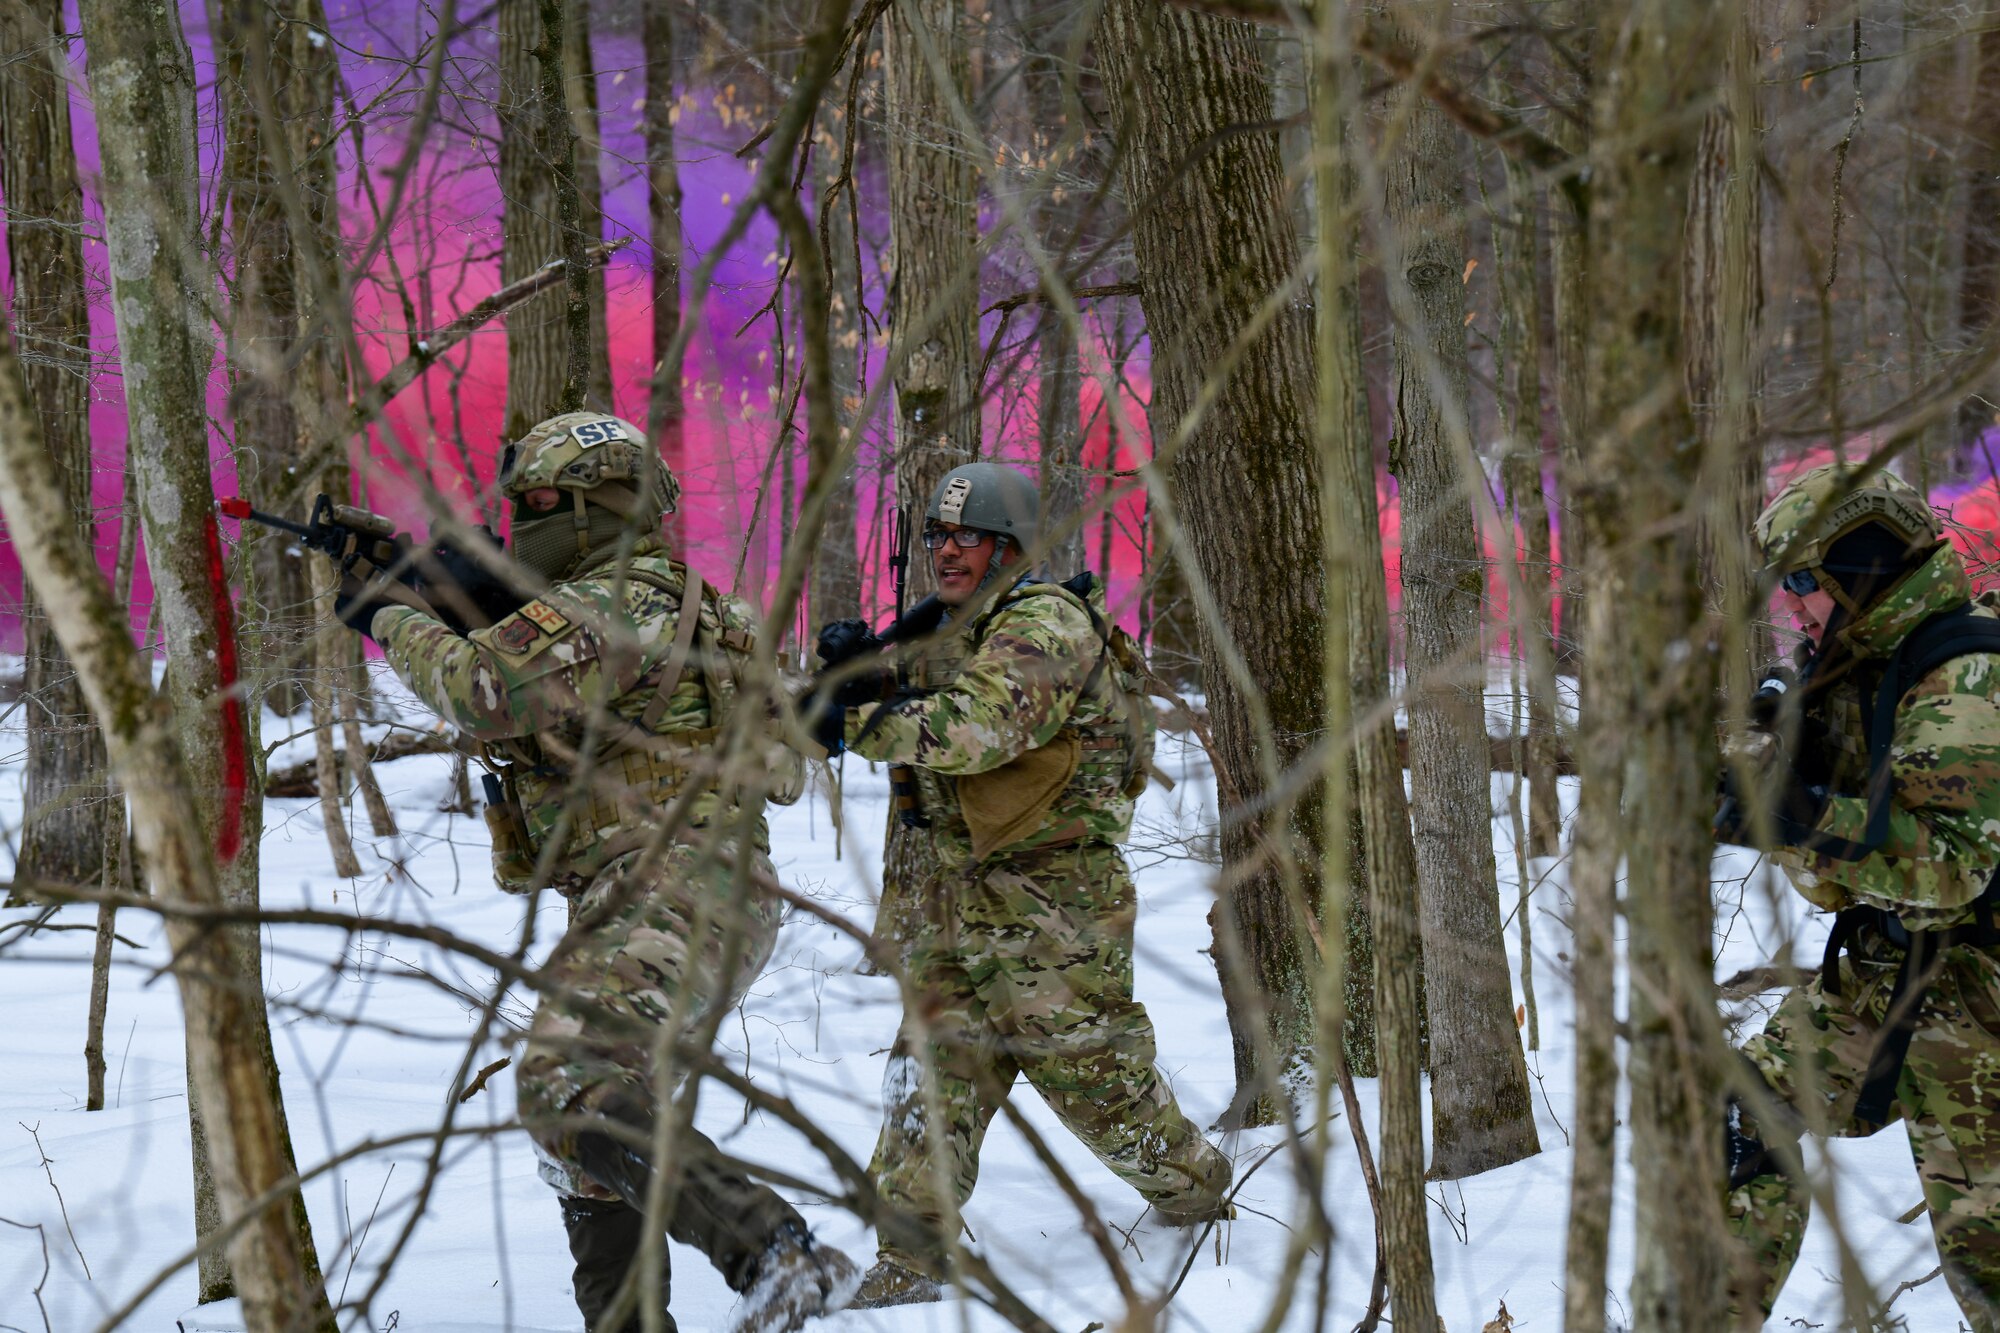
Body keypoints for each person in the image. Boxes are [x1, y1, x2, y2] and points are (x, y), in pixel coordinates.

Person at [335, 411, 858, 1333]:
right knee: (592, 1139)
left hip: (680, 890)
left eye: (543, 504)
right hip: (679, 892)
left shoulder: (617, 599)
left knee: (563, 1081)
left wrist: (384, 609)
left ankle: (773, 1250)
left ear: (602, 510)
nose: (526, 520)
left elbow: (483, 689)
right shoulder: (692, 606)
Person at [813, 462, 1233, 1308]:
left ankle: (1199, 1187)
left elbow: (976, 729)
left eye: (969, 536)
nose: (948, 551)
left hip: (1054, 899)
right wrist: (862, 676)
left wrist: (860, 716)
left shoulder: (1044, 622)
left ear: (1011, 546)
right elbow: (932, 707)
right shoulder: (957, 630)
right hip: (961, 895)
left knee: (1093, 1083)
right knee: (929, 1073)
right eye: (938, 535)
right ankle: (910, 1255)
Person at [1718, 462, 2000, 1330]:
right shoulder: (1864, 659)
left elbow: (1953, 868)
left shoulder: (1966, 677)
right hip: (1890, 978)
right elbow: (1842, 861)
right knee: (1744, 1123)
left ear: (1864, 563)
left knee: (1987, 1255)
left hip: (1979, 1006)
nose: (1795, 605)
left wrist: (1800, 817)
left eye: (1805, 580)